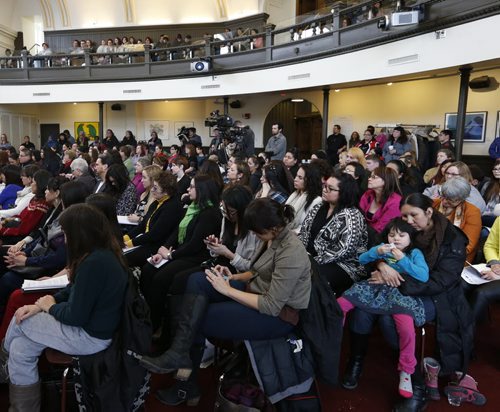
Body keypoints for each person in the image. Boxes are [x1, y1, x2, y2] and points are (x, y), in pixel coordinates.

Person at [139, 198, 311, 405]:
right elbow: (256, 272)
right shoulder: (271, 237)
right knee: (197, 280)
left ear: (273, 227)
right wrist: (231, 278)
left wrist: (227, 290)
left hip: (277, 315)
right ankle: (179, 353)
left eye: (258, 233)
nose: (256, 236)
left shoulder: (292, 252)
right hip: (257, 292)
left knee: (197, 317)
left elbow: (271, 305)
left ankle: (185, 383)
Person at [343, 193, 474, 412]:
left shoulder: (452, 238)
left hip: (435, 295)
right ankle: (355, 361)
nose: (409, 221)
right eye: (404, 216)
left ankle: (416, 385)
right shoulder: (401, 228)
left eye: (414, 215)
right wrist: (382, 267)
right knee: (361, 310)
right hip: (396, 285)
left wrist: (397, 281)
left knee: (388, 320)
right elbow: (378, 249)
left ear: (429, 212)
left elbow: (442, 281)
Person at [2, 203, 128, 410]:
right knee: (20, 349)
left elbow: (74, 317)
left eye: (67, 233)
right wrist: (38, 306)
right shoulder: (100, 253)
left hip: (91, 336)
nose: (65, 239)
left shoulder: (94, 263)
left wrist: (49, 306)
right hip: (94, 330)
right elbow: (73, 291)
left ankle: (1, 364)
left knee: (19, 318)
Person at [338, 218, 428, 398]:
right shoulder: (383, 248)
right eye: (392, 234)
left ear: (411, 238)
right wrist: (376, 251)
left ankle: (406, 370)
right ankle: (332, 341)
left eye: (402, 235)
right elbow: (362, 259)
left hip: (399, 294)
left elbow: (423, 275)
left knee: (406, 328)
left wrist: (402, 259)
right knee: (340, 304)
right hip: (373, 288)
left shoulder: (414, 252)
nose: (395, 239)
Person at [139, 174, 222, 332]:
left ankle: (155, 324)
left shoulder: (210, 213)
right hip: (181, 252)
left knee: (161, 278)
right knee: (148, 268)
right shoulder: (192, 207)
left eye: (192, 187)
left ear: (202, 190)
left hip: (196, 257)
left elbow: (195, 245)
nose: (188, 189)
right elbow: (176, 233)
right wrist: (163, 250)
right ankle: (147, 317)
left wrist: (170, 255)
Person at [300, 172, 368, 295]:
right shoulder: (319, 207)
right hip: (311, 257)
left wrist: (311, 260)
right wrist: (300, 253)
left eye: (330, 188)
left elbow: (344, 250)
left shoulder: (352, 215)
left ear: (343, 193)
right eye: (325, 185)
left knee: (306, 277)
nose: (325, 190)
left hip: (344, 264)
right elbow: (304, 232)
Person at [124, 171, 184, 267]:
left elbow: (154, 234)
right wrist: (125, 238)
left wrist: (129, 243)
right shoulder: (157, 201)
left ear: (166, 192)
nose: (152, 190)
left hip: (157, 246)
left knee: (124, 258)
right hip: (147, 240)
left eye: (155, 188)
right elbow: (143, 225)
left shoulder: (172, 207)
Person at [433, 177, 481, 263]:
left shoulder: (472, 212)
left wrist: (441, 254)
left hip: (456, 257)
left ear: (462, 199)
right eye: (443, 196)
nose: (444, 201)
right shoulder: (434, 203)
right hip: (430, 251)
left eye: (450, 199)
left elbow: (468, 246)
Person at [359, 166, 402, 233]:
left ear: (386, 180)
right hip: (363, 232)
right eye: (370, 176)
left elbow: (382, 227)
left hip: (382, 237)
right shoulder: (368, 194)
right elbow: (358, 216)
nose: (369, 179)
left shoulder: (395, 201)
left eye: (374, 177)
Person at [285, 163, 323, 233]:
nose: (295, 179)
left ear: (309, 180)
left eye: (300, 178)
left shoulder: (316, 201)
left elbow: (307, 227)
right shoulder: (295, 194)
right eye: (296, 176)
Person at [480, 159, 500, 227]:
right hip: (486, 214)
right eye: (495, 169)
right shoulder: (488, 184)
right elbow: (482, 201)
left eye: (499, 169)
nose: (497, 171)